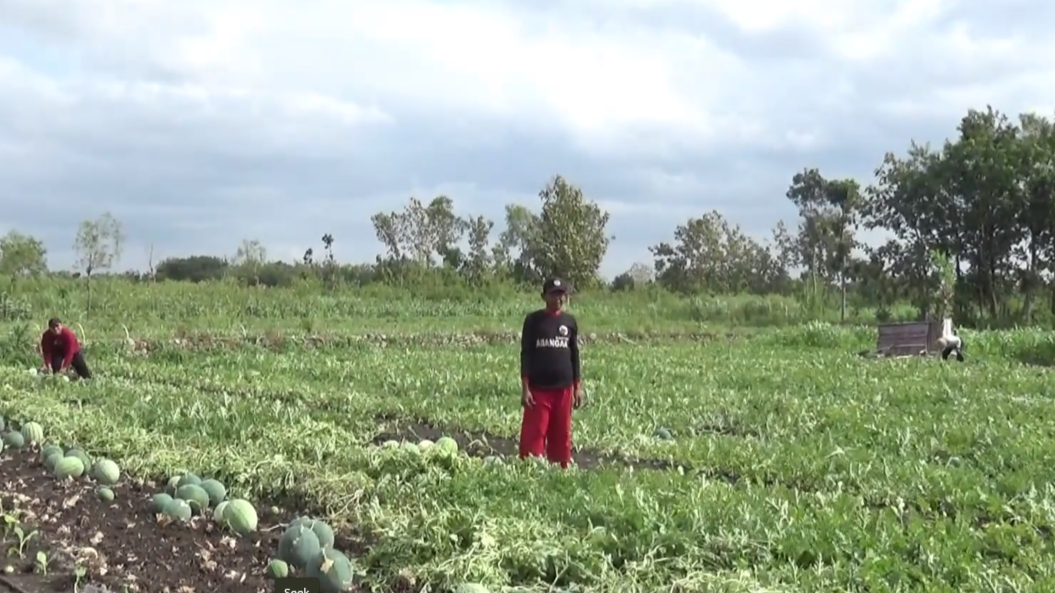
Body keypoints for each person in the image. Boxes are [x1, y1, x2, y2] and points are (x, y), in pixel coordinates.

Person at [518, 277, 584, 468]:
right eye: (554, 294)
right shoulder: (533, 321)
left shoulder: (569, 322)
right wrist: (525, 388)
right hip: (538, 388)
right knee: (535, 432)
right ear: (544, 296)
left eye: (562, 294)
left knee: (561, 432)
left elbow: (575, 355)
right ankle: (531, 467)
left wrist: (577, 387)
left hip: (563, 388)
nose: (558, 298)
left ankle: (561, 466)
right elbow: (526, 354)